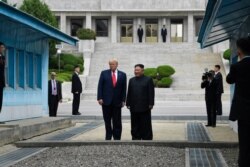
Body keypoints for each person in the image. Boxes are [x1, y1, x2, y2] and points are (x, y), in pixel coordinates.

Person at [226, 37, 250, 167]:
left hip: (243, 111)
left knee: (245, 141)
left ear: (239, 51)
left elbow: (229, 80)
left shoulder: (237, 66)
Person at [97, 59, 127, 140]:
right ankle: (108, 137)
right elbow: (100, 86)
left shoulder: (123, 75)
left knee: (117, 121)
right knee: (107, 121)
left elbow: (124, 88)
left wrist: (123, 100)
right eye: (110, 64)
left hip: (117, 102)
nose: (111, 66)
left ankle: (117, 137)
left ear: (117, 64)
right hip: (106, 102)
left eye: (113, 64)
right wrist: (99, 98)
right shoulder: (104, 73)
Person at [126, 64, 155, 140]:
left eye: (138, 70)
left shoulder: (148, 79)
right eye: (135, 70)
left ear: (142, 71)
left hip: (145, 106)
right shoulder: (131, 80)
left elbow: (151, 92)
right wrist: (128, 103)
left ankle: (147, 138)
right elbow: (129, 92)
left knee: (145, 124)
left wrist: (151, 103)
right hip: (133, 106)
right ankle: (135, 138)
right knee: (134, 124)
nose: (136, 71)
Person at [0, 42, 5, 115]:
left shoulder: (3, 57)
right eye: (2, 47)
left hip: (1, 82)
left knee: (0, 100)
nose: (3, 49)